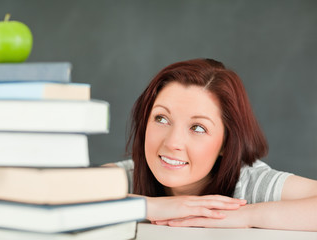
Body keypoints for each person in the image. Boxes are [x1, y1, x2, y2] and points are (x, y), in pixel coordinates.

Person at [106, 58, 317, 231]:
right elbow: (73, 191)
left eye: (198, 128)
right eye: (161, 118)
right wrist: (148, 206)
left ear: (226, 143)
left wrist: (244, 216)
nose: (172, 142)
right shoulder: (129, 178)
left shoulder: (247, 185)